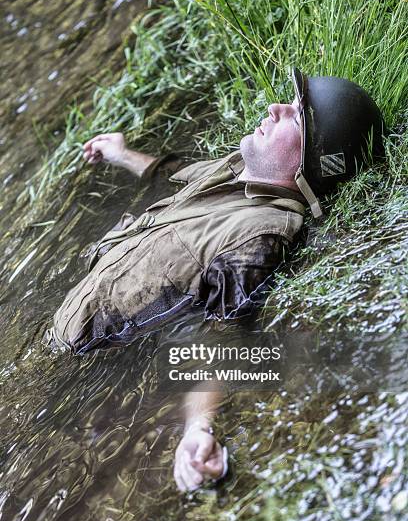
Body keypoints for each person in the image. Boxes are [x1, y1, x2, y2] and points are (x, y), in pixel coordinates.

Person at [45, 68, 386, 491]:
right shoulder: (242, 169)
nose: (274, 108)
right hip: (66, 319)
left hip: (81, 356)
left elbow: (225, 333)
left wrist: (199, 427)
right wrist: (124, 154)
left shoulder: (262, 234)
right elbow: (182, 179)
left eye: (294, 117)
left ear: (309, 165)